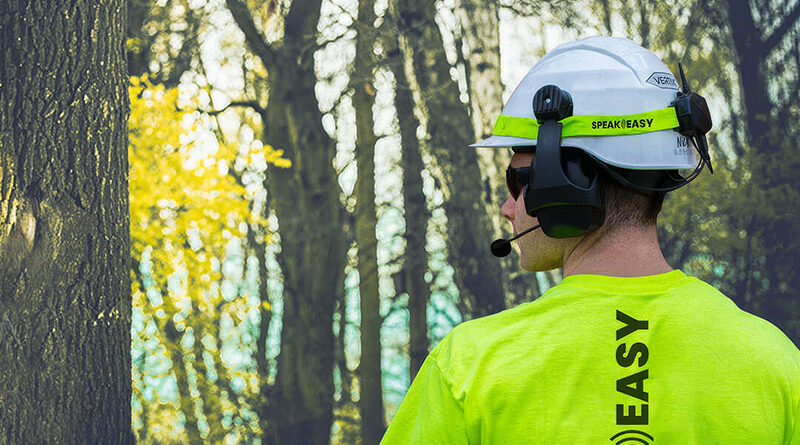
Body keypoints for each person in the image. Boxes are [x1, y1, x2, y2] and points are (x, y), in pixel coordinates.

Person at [380, 36, 800, 444]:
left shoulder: (468, 370)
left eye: (516, 182)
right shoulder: (778, 365)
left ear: (564, 181)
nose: (508, 209)